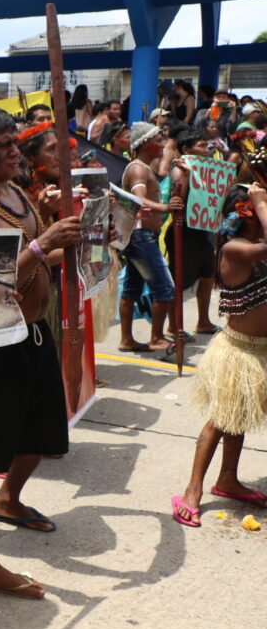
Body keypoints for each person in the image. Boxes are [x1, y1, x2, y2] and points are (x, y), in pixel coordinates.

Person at [0, 107, 80, 536]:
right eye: (2, 145)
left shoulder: (17, 192)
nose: (14, 151)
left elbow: (46, 256)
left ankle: (7, 499)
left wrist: (88, 239)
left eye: (14, 141)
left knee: (44, 430)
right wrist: (46, 244)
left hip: (33, 330)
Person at [172, 181, 267, 527]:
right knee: (220, 420)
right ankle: (192, 491)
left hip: (261, 353)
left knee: (237, 418)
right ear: (249, 214)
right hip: (239, 352)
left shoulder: (255, 245)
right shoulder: (234, 249)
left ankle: (228, 479)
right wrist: (259, 201)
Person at [118, 121, 184, 352]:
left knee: (131, 289)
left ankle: (127, 340)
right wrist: (165, 208)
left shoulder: (143, 167)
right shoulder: (138, 169)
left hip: (141, 236)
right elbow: (139, 199)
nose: (163, 145)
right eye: (159, 141)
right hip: (141, 236)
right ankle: (156, 337)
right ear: (145, 144)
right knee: (165, 288)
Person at [168, 129, 220, 336]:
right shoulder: (179, 170)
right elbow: (177, 202)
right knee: (179, 281)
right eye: (201, 145)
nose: (206, 149)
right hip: (184, 232)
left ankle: (204, 322)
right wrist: (187, 176)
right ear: (186, 149)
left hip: (202, 231)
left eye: (207, 145)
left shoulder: (209, 170)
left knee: (208, 275)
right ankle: (174, 327)